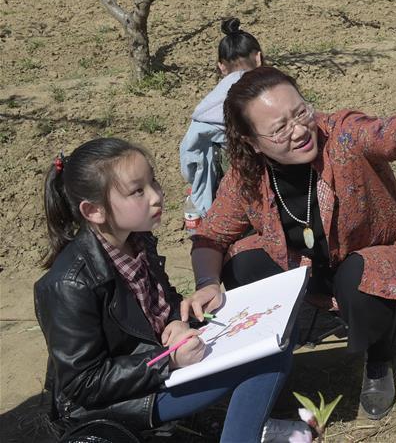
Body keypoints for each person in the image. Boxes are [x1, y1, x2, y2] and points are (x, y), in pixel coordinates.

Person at [181, 66, 396, 421]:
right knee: (240, 262)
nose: (300, 130)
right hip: (308, 266)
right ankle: (275, 346)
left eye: (300, 112)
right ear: (252, 142)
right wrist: (207, 284)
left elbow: (393, 132)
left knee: (359, 277)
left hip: (369, 260)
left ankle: (379, 359)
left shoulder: (343, 136)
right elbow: (211, 234)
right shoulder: (249, 174)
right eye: (279, 129)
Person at [34, 138, 309, 442]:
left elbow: (159, 304)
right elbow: (83, 383)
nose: (156, 196)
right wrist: (168, 360)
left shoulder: (137, 240)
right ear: (94, 211)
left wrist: (179, 318)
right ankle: (244, 432)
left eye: (153, 181)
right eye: (138, 190)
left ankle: (252, 424)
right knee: (265, 355)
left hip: (157, 366)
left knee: (278, 329)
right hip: (118, 401)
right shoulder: (69, 284)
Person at [179, 18, 264, 216]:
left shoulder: (209, 106)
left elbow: (190, 153)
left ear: (221, 67)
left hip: (232, 188)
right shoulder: (274, 89)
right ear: (258, 58)